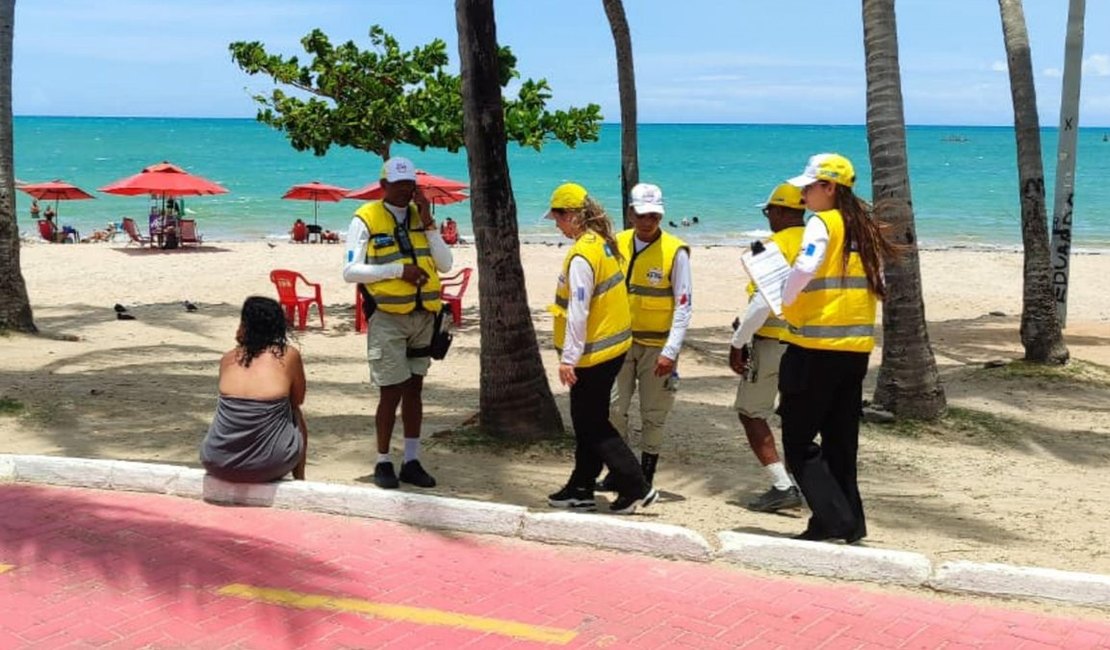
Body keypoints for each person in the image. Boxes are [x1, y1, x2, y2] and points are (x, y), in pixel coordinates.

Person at [778, 153, 897, 543]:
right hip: (855, 349)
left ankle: (833, 519)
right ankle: (849, 522)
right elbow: (879, 281)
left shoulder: (821, 224)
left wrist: (784, 297)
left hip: (814, 346)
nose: (804, 195)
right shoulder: (864, 228)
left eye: (809, 188)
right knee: (840, 441)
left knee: (797, 442)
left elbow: (805, 269)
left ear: (830, 188)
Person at [545, 182, 658, 515]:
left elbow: (579, 310)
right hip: (612, 347)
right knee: (587, 421)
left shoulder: (582, 254)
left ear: (572, 216)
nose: (557, 225)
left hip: (593, 354)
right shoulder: (602, 244)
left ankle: (636, 485)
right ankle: (581, 486)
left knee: (591, 424)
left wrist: (569, 358)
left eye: (558, 218)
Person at [342, 156, 452, 489]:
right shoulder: (366, 219)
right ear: (384, 186)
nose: (406, 192)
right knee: (390, 392)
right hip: (388, 317)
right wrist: (398, 271)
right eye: (399, 185)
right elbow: (351, 271)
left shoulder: (422, 218)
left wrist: (430, 223)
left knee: (415, 390)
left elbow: (445, 264)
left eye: (410, 186)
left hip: (423, 316)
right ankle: (383, 460)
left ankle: (412, 460)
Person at [602, 182, 691, 490]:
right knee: (614, 408)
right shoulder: (616, 244)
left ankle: (646, 475)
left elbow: (683, 304)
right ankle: (621, 470)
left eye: (653, 215)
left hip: (658, 348)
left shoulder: (675, 252)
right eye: (642, 215)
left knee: (653, 414)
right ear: (630, 213)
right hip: (622, 344)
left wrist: (671, 350)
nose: (647, 221)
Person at [728, 183, 808, 513]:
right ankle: (804, 481)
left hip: (773, 343)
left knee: (751, 411)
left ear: (779, 211)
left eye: (769, 211)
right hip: (810, 345)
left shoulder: (768, 247)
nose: (768, 217)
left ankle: (782, 484)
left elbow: (761, 304)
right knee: (798, 417)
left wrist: (738, 343)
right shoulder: (821, 243)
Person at [200, 296, 308, 483]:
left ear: (244, 325)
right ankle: (300, 478)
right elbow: (297, 400)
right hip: (270, 466)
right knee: (295, 413)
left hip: (217, 462)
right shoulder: (288, 355)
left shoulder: (227, 359)